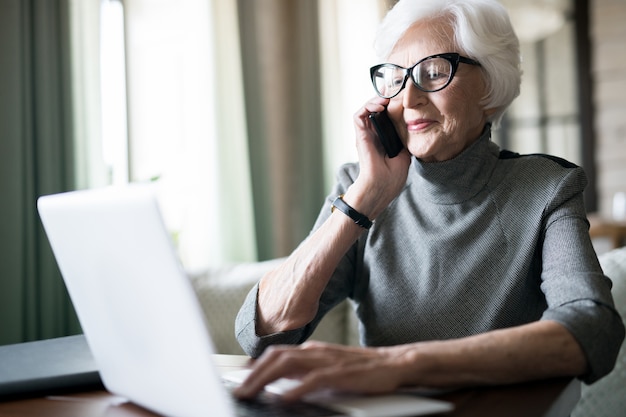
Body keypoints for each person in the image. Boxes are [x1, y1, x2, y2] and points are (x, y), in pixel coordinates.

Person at [233, 0, 625, 401]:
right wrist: (364, 198)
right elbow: (261, 333)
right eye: (395, 78)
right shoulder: (359, 186)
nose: (409, 98)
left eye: (434, 72)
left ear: (489, 86)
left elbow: (593, 328)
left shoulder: (546, 187)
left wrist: (400, 366)